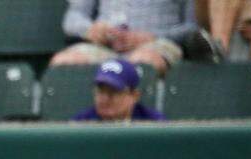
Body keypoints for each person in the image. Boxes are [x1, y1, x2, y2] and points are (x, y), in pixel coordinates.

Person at [51, 0, 199, 75]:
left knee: (142, 62)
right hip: (106, 46)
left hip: (157, 44)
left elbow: (193, 27)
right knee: (64, 63)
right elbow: (73, 18)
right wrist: (91, 29)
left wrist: (152, 37)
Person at [72, 59, 165, 121]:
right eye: (100, 91)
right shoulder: (81, 123)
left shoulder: (154, 124)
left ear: (134, 96)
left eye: (113, 92)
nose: (105, 98)